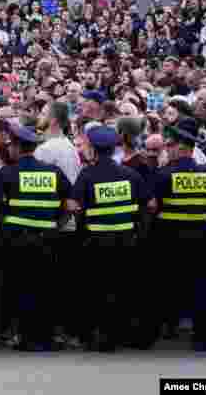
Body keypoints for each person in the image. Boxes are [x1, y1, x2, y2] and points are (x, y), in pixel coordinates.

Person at [0, 121, 74, 352]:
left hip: (16, 241)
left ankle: (26, 338)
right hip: (47, 239)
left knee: (21, 289)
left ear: (15, 147)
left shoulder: (7, 172)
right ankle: (45, 338)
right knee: (45, 289)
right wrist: (57, 224)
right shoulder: (53, 173)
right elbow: (72, 204)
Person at [144, 118, 206, 351]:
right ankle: (202, 338)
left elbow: (151, 207)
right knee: (200, 288)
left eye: (169, 146)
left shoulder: (162, 175)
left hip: (168, 241)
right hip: (201, 240)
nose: (166, 150)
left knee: (161, 288)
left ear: (181, 147)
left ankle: (153, 334)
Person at [70, 126, 150, 352]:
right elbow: (150, 204)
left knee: (97, 290)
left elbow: (74, 205)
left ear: (94, 150)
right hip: (126, 241)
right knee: (121, 288)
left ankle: (99, 336)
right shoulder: (130, 175)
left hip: (96, 243)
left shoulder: (88, 175)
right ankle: (119, 335)